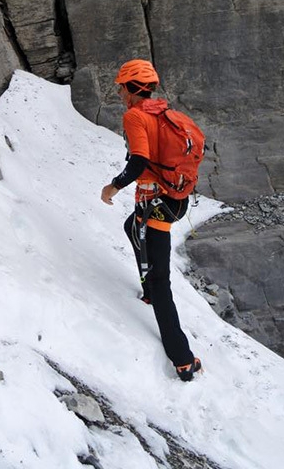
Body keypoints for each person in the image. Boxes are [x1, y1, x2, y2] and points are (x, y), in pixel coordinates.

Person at [101, 59, 202, 382]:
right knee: (132, 227)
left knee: (161, 281)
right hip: (175, 199)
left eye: (121, 86)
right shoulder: (163, 113)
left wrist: (113, 186)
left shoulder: (134, 116)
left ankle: (183, 359)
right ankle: (147, 290)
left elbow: (140, 160)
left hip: (156, 204)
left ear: (132, 89)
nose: (118, 92)